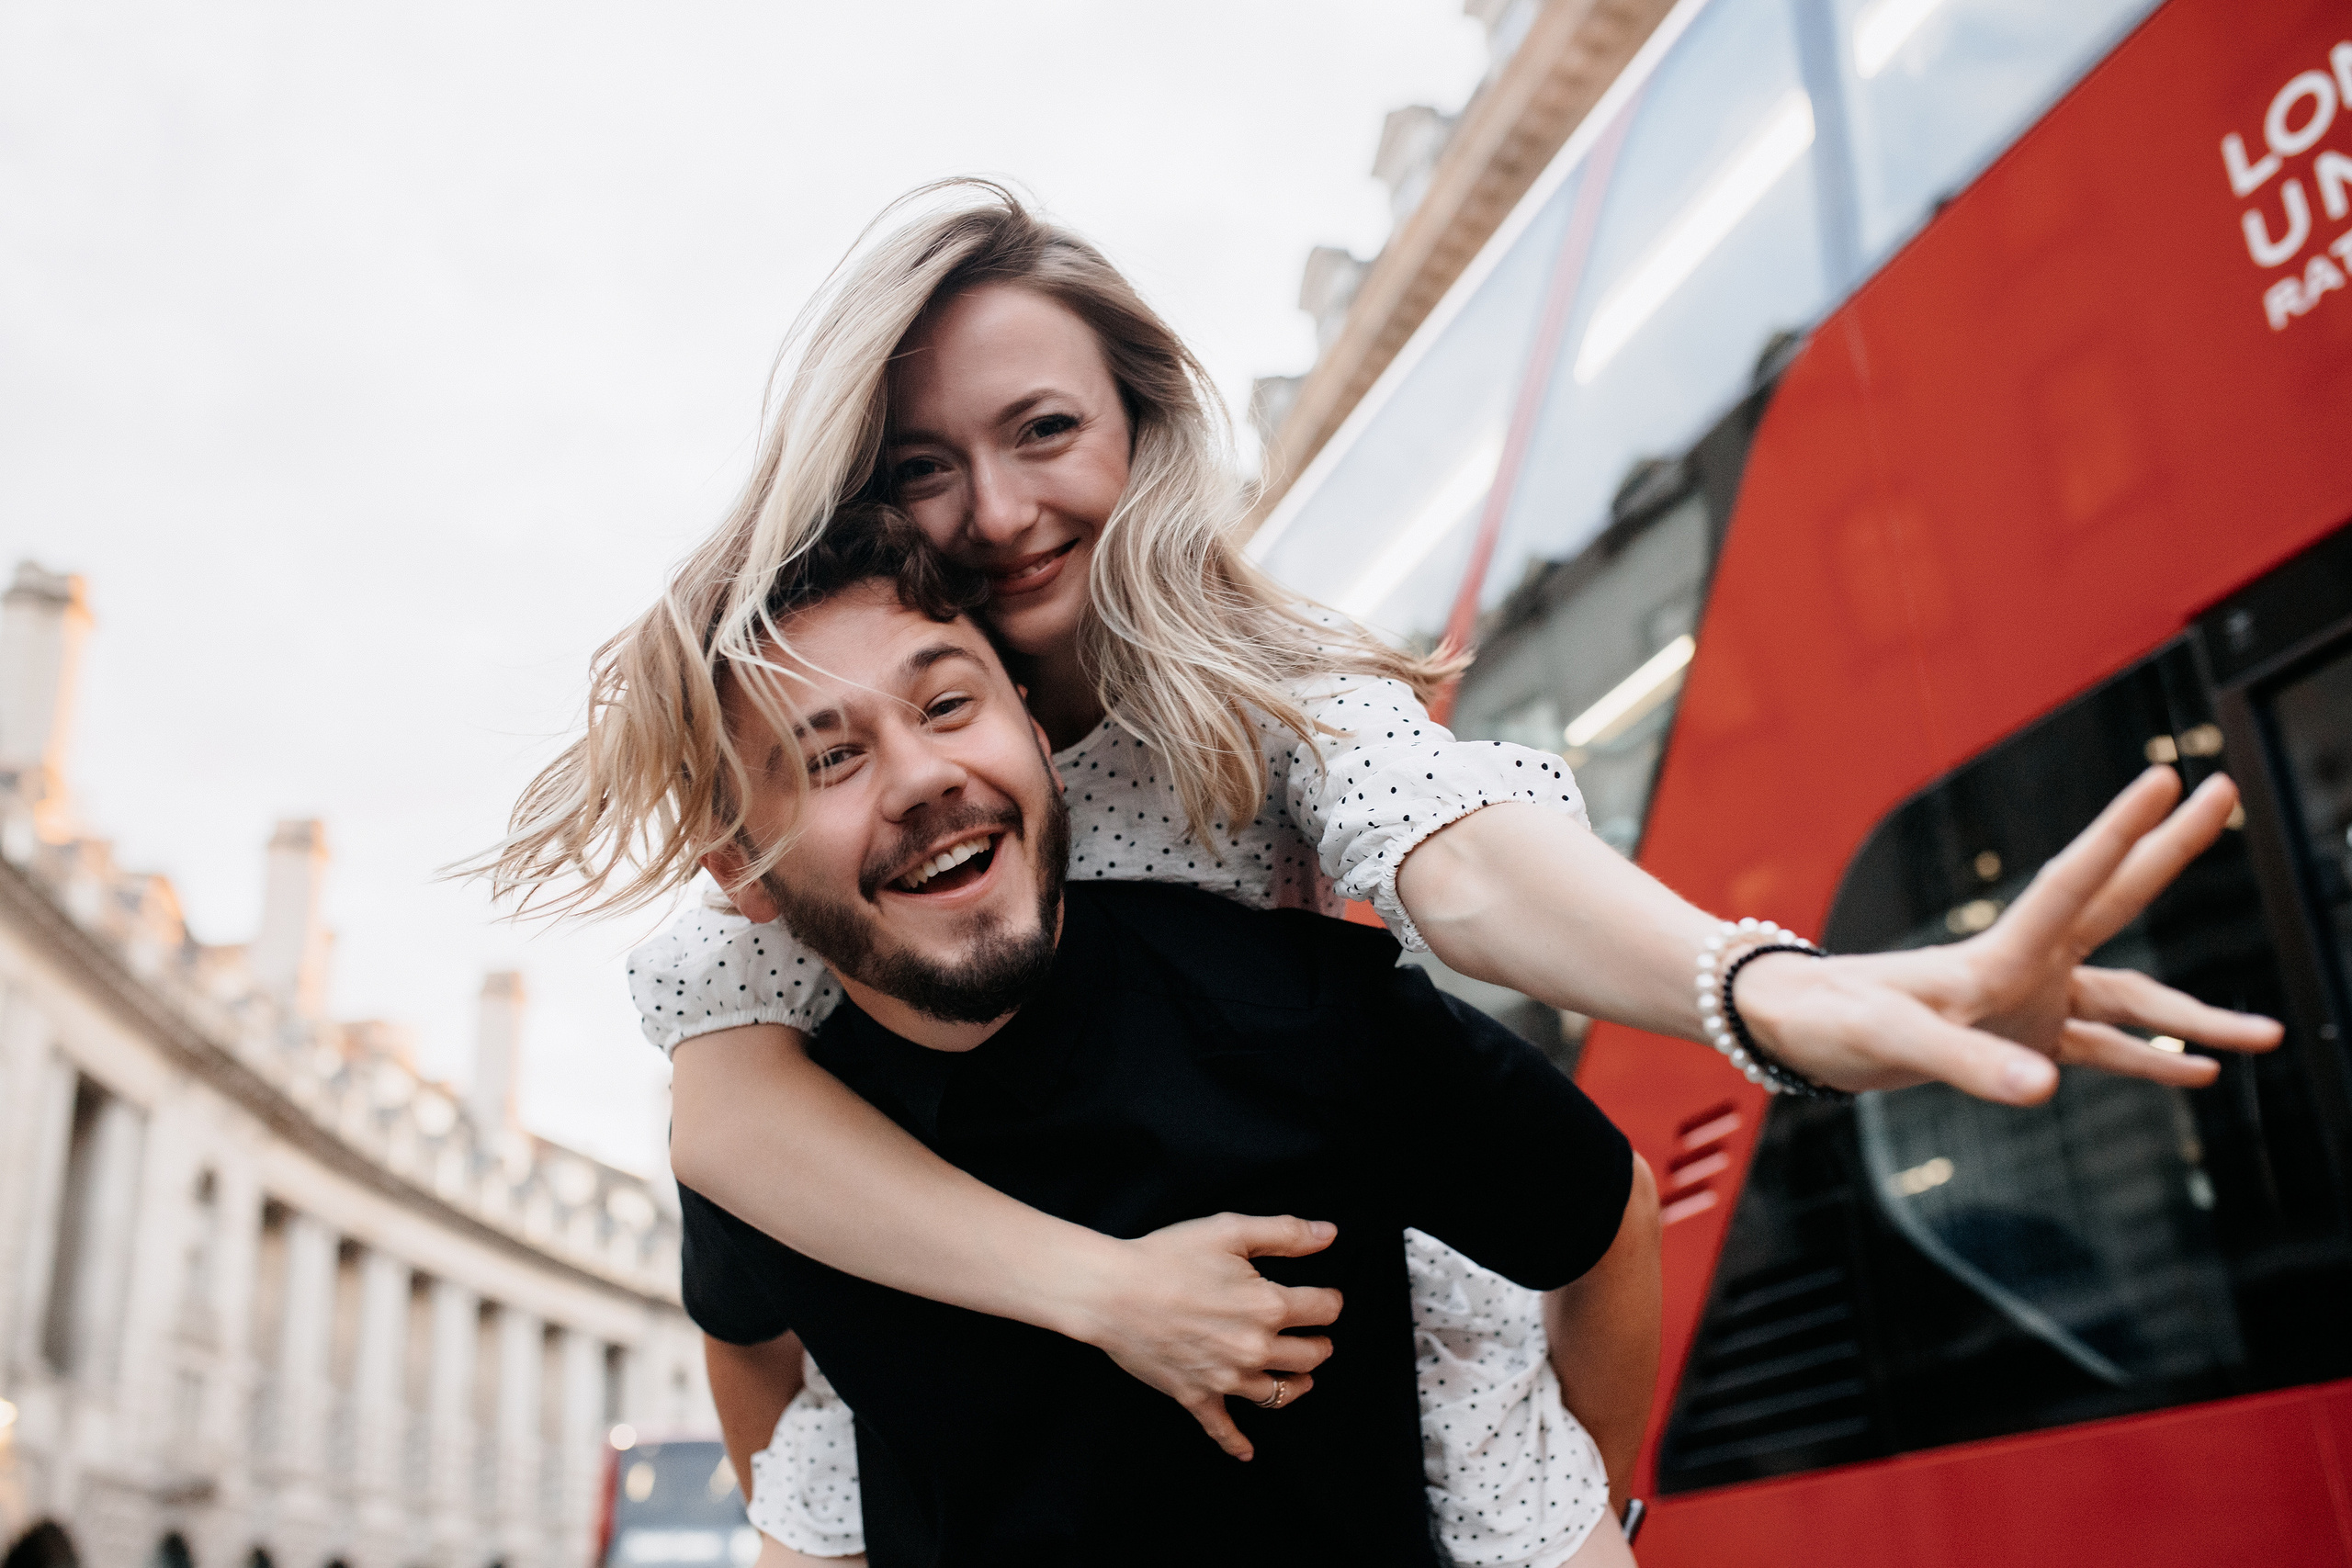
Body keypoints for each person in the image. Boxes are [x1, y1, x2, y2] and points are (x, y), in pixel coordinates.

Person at [481, 183, 2279, 1564]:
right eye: (929, 466)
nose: (1004, 510)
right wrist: (1099, 1293)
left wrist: (1765, 985)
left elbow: (1466, 870)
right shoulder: (854, 742)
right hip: (1019, 1375)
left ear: (1136, 428)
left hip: (1342, 1350)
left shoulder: (1265, 691)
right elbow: (727, 1139)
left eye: (1045, 434)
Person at [677, 512, 1657, 1565]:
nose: (921, 777)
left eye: (950, 705)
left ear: (1039, 738)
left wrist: (1563, 1518)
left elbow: (1606, 1216)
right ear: (742, 871)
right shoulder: (772, 1136)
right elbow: (747, 1350)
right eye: (829, 759)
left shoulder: (1288, 1009)